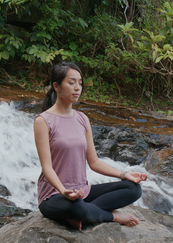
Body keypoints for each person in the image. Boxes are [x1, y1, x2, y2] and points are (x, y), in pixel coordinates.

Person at [34, 62, 148, 230]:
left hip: (82, 192)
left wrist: (124, 174)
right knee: (76, 206)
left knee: (133, 189)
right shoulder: (43, 121)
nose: (77, 88)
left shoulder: (82, 119)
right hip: (54, 196)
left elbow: (94, 162)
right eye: (71, 82)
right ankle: (111, 217)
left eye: (80, 83)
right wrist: (64, 191)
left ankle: (81, 215)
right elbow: (47, 167)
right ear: (56, 86)